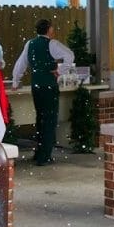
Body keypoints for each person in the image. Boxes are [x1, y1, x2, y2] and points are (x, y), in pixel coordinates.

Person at [12, 19, 74, 166]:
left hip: (36, 86)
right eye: (52, 27)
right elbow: (70, 55)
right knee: (49, 120)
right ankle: (44, 155)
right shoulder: (52, 44)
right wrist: (60, 70)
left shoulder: (30, 44)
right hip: (49, 86)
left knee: (40, 118)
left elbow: (21, 63)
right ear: (49, 30)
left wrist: (16, 80)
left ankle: (39, 152)